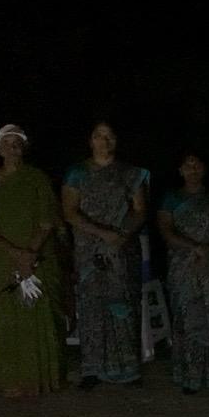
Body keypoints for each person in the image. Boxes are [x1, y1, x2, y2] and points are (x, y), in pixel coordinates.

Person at [0, 124, 66, 397]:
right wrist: (16, 253)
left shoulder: (37, 178)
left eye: (17, 143)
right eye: (7, 143)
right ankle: (11, 381)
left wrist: (30, 253)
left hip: (38, 256)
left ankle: (44, 379)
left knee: (41, 314)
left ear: (24, 148)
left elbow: (47, 220)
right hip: (3, 259)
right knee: (7, 317)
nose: (12, 148)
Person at [61, 120, 149, 388]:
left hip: (121, 249)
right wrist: (102, 233)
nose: (104, 141)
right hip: (89, 250)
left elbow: (139, 210)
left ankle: (127, 368)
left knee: (123, 303)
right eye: (99, 136)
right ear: (91, 141)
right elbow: (70, 212)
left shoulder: (130, 173)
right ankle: (92, 370)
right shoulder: (77, 173)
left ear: (116, 140)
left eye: (109, 136)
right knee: (91, 306)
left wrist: (122, 234)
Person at [158, 150, 209, 394]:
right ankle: (189, 376)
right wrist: (194, 248)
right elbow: (167, 231)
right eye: (188, 166)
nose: (193, 170)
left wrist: (208, 251)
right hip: (183, 265)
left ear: (204, 169)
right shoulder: (170, 199)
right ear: (180, 171)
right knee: (187, 317)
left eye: (197, 165)